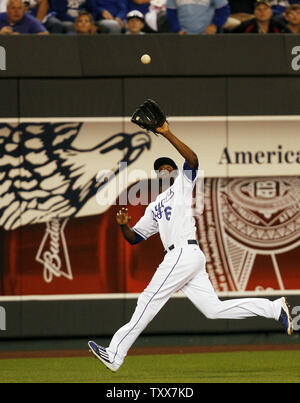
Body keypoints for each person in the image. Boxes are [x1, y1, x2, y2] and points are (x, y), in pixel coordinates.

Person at [88, 116, 294, 372]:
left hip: (184, 254)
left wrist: (166, 133)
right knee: (213, 309)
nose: (163, 171)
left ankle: (115, 354)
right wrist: (122, 225)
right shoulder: (154, 206)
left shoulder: (183, 186)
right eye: (159, 169)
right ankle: (274, 308)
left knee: (149, 299)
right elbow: (135, 238)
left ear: (174, 172)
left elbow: (193, 159)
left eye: (167, 168)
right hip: (186, 258)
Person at [166, 0, 231, 35]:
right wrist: (177, 30)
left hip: (206, 36)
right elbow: (171, 12)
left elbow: (223, 9)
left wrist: (214, 25)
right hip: (182, 36)